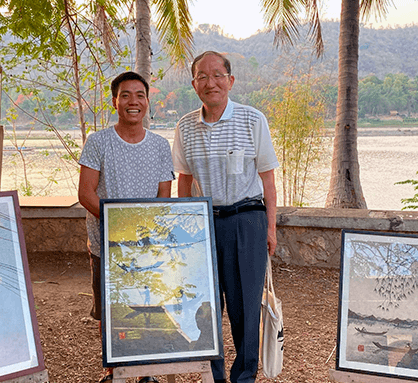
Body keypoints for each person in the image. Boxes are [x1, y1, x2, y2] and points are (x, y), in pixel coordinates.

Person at [172, 51, 279, 383]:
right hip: (204, 223)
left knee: (245, 306)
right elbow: (185, 181)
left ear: (230, 81)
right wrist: (185, 227)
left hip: (248, 219)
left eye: (217, 75)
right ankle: (213, 375)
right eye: (202, 76)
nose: (210, 82)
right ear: (194, 84)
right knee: (206, 307)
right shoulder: (185, 126)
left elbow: (268, 179)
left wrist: (271, 228)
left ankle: (244, 376)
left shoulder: (252, 119)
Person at [78, 71, 175, 383]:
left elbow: (164, 196)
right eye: (126, 95)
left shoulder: (160, 145)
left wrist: (145, 231)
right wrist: (120, 226)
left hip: (147, 245)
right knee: (110, 310)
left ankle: (146, 371)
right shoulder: (97, 142)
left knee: (147, 306)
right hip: (107, 244)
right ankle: (114, 370)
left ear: (147, 102)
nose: (134, 101)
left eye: (140, 95)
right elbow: (86, 193)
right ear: (114, 101)